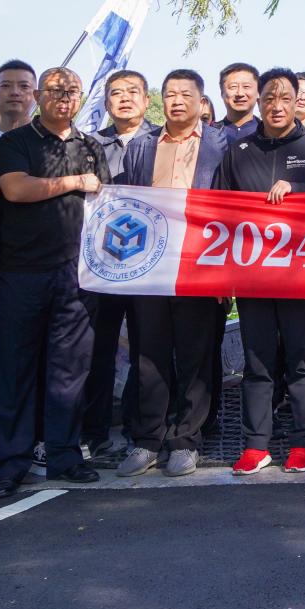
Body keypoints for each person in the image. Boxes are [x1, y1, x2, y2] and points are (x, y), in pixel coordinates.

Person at [214, 68, 305, 477]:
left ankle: (303, 443)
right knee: (257, 363)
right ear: (259, 101)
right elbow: (217, 212)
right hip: (252, 276)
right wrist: (220, 277)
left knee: (302, 362)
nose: (276, 105)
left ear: (297, 102)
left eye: (285, 98)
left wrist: (299, 191)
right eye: (269, 98)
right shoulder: (238, 151)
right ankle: (257, 446)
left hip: (301, 276)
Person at [0, 66, 109, 496]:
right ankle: (7, 464)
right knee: (13, 370)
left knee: (69, 371)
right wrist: (74, 182)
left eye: (73, 91)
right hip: (22, 272)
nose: (65, 97)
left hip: (77, 276)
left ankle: (64, 455)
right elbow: (16, 189)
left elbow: (106, 204)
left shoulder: (91, 146)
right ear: (38, 96)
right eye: (56, 90)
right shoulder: (16, 142)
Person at [114, 71, 229, 480]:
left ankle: (186, 440)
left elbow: (231, 210)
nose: (177, 100)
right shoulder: (142, 146)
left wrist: (224, 274)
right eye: (170, 94)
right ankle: (148, 438)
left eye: (185, 94)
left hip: (200, 264)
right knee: (149, 355)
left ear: (201, 101)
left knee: (196, 356)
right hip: (150, 265)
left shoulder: (221, 145)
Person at [86, 69, 155, 458]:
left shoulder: (163, 141)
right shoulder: (90, 145)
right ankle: (94, 433)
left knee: (147, 352)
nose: (124, 99)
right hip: (102, 267)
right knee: (99, 350)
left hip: (150, 267)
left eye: (132, 92)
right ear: (106, 101)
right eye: (116, 93)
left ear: (147, 100)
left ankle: (138, 430)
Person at [217, 62, 261, 138]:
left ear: (258, 92)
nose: (240, 93)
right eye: (233, 87)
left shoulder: (269, 133)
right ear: (222, 93)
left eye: (246, 86)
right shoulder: (209, 134)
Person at [0, 60, 36, 135]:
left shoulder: (51, 139)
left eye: (24, 86)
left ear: (37, 95)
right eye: (5, 85)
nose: (15, 92)